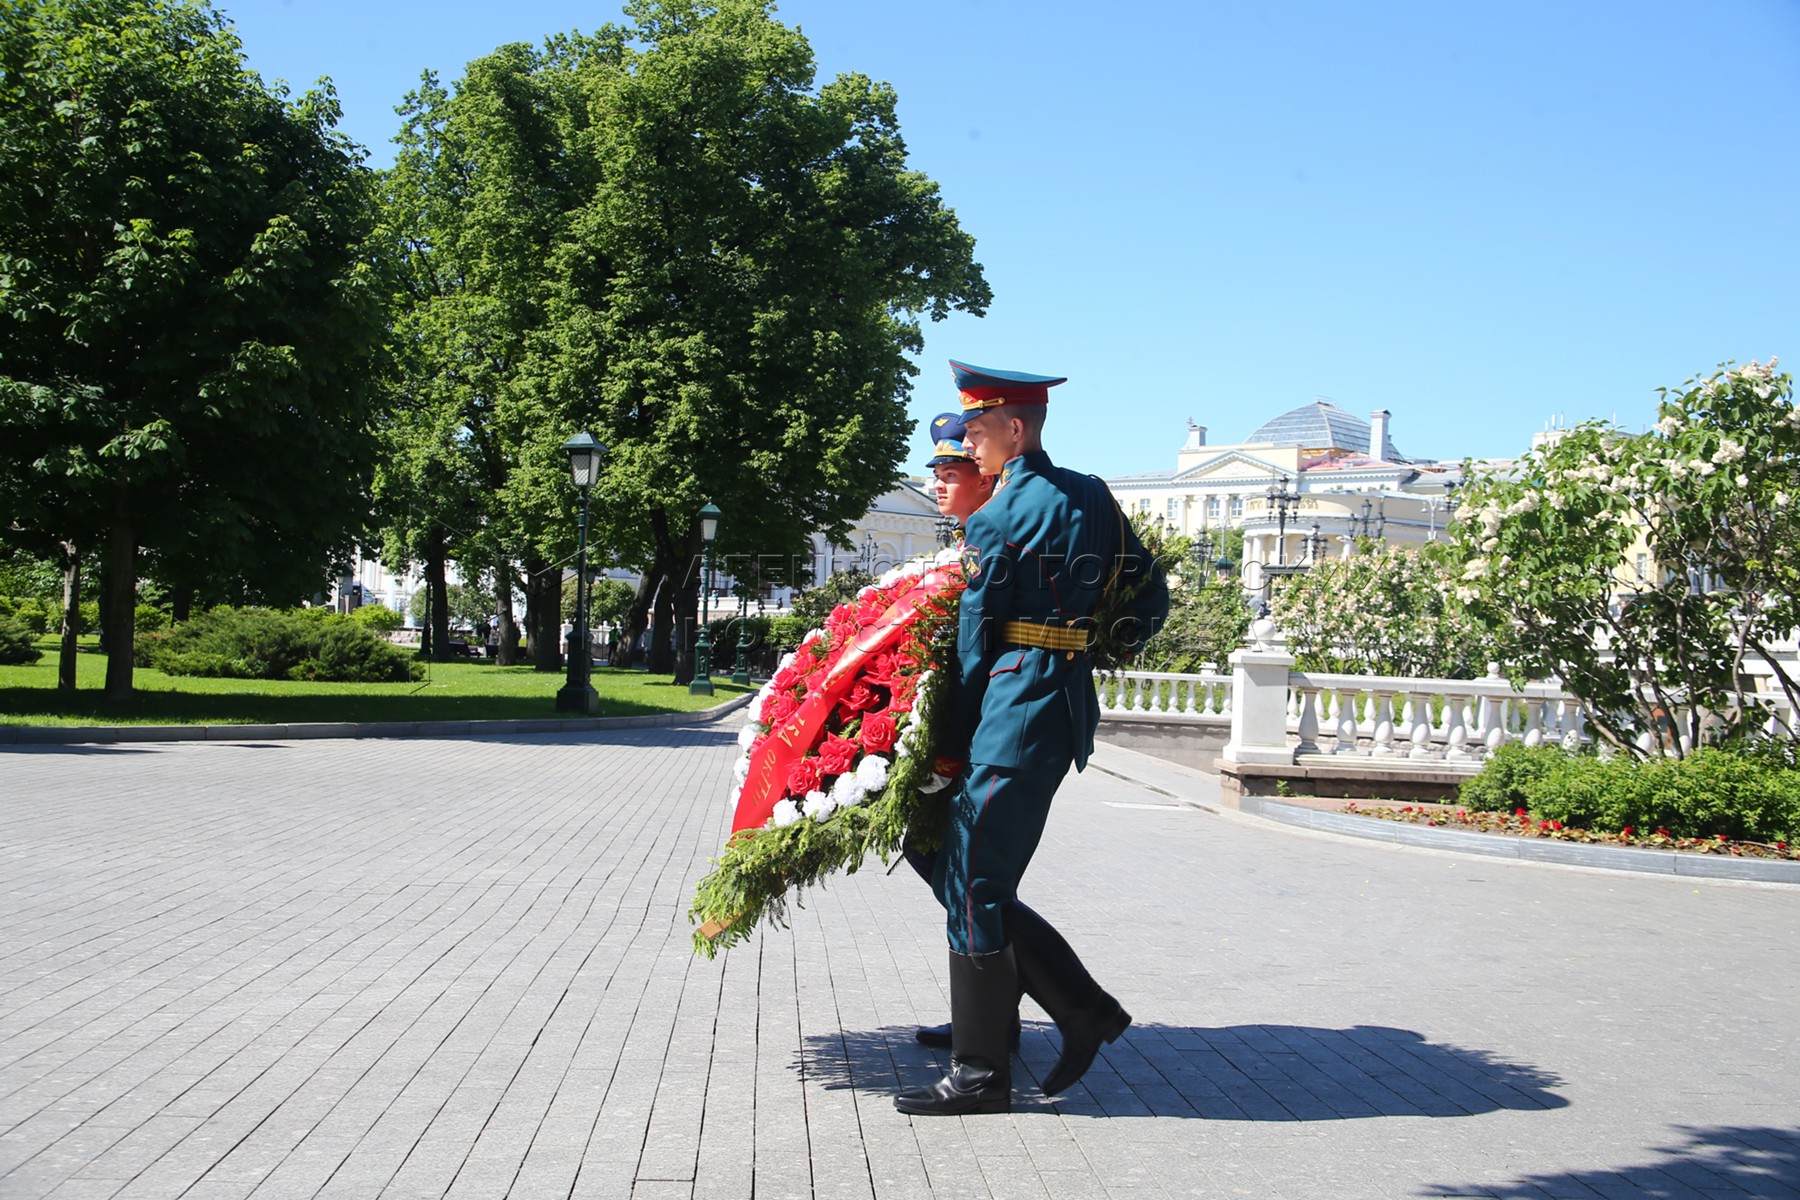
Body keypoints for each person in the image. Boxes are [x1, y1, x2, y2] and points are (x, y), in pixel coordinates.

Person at [895, 361, 1170, 1117]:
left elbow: (976, 642)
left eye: (978, 432)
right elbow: (1150, 592)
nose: (971, 447)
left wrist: (947, 742)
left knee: (975, 880)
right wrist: (1091, 641)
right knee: (979, 877)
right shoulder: (1094, 494)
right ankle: (1058, 1018)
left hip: (1012, 712)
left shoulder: (996, 518)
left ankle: (989, 1069)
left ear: (1014, 430)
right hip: (1062, 706)